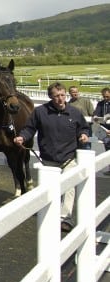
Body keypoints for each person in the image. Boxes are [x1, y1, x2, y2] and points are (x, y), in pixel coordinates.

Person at [14, 82, 89, 231]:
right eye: (56, 96)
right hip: (48, 159)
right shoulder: (40, 112)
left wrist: (84, 134)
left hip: (68, 158)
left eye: (62, 95)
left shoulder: (75, 113)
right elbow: (29, 128)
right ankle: (48, 211)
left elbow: (83, 127)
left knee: (69, 187)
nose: (60, 99)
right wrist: (22, 137)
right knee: (49, 189)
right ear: (50, 97)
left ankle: (65, 218)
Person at [67, 86, 95, 150]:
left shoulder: (86, 101)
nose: (75, 93)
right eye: (73, 92)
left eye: (76, 92)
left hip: (86, 127)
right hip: (74, 128)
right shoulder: (68, 104)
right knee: (76, 146)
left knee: (86, 145)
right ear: (70, 93)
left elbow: (92, 113)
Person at [94, 87, 110, 173]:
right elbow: (96, 112)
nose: (105, 98)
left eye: (107, 96)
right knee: (107, 148)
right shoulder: (100, 104)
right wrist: (95, 116)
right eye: (104, 96)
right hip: (104, 130)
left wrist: (108, 115)